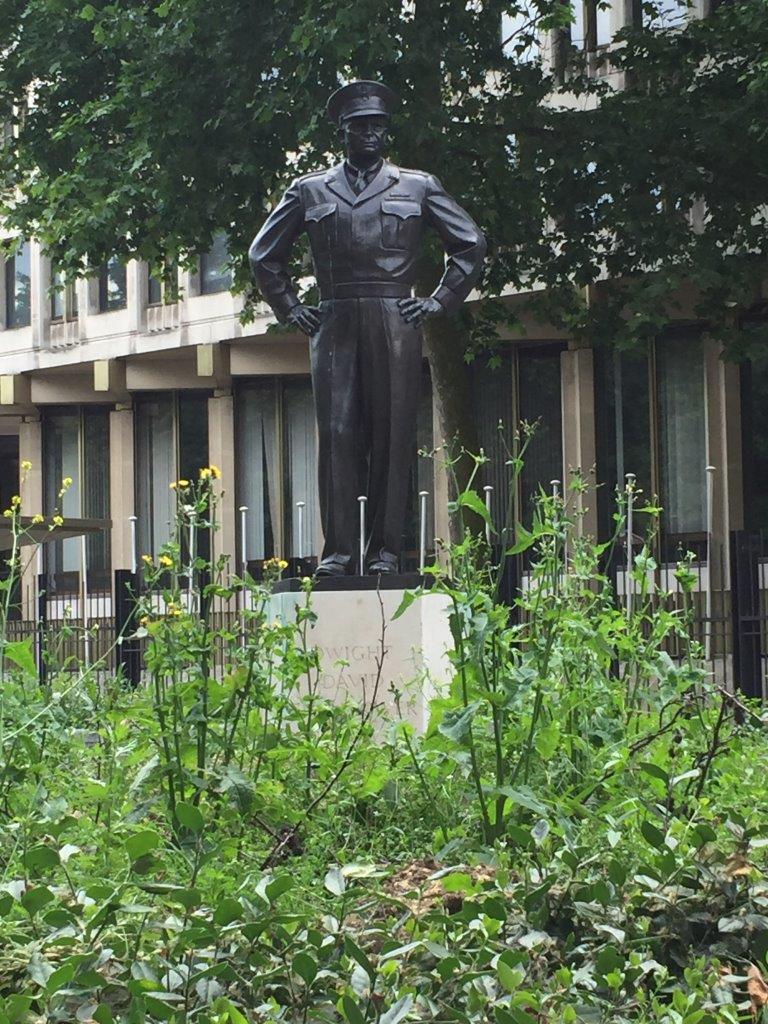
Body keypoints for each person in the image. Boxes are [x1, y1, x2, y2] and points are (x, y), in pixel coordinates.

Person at [249, 80, 486, 577]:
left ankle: (385, 554)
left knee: (393, 432)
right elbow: (263, 254)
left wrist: (439, 302)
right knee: (337, 433)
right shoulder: (310, 189)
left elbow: (470, 244)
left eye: (379, 126)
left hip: (394, 317)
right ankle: (337, 554)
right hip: (334, 319)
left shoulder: (417, 185)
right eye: (362, 127)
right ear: (345, 132)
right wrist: (291, 307)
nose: (372, 135)